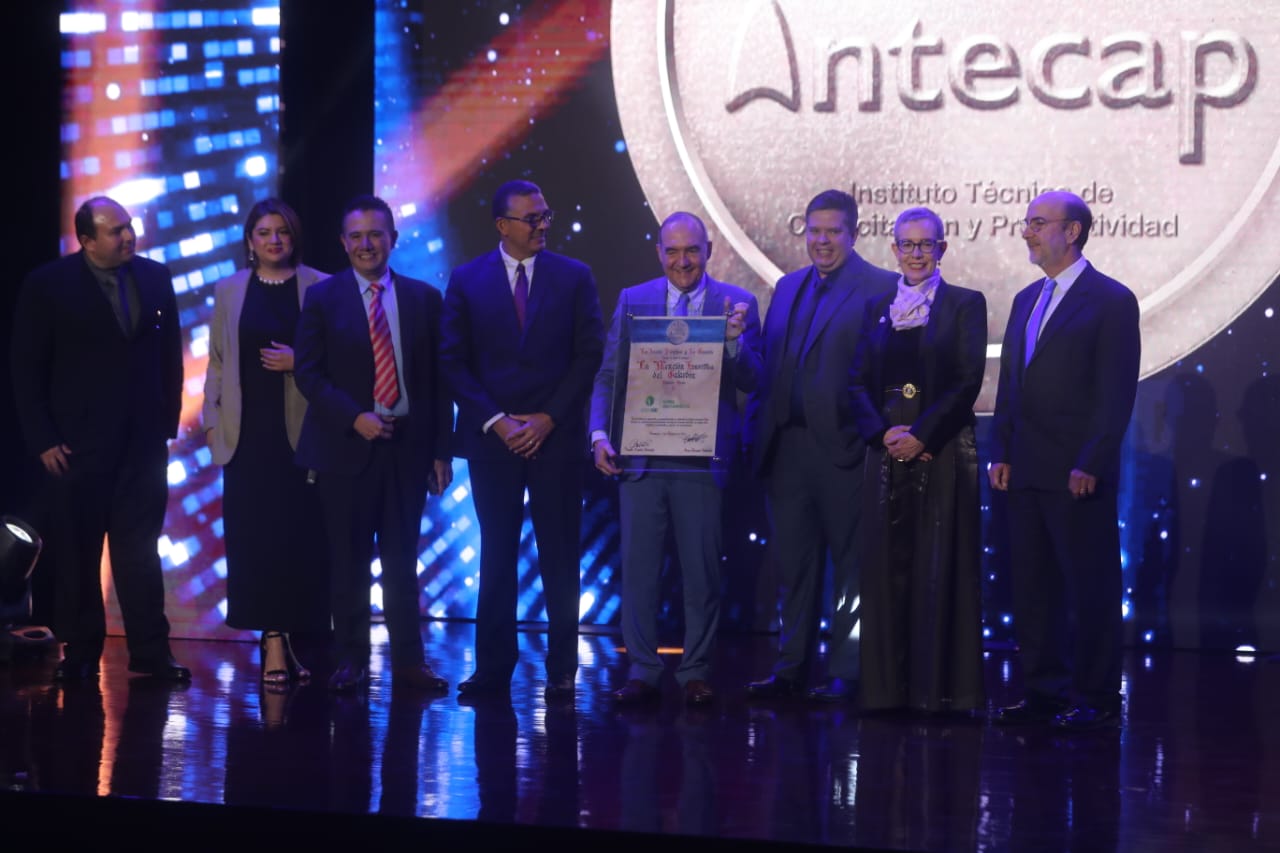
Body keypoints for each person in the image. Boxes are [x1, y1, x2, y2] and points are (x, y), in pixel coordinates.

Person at [10, 196, 188, 681]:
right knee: (77, 551)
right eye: (116, 230)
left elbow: (170, 357)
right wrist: (43, 438)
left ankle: (151, 653)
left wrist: (166, 424)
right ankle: (82, 651)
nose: (128, 236)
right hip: (75, 446)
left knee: (140, 551)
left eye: (129, 226)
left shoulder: (155, 277)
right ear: (87, 240)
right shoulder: (48, 284)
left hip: (142, 445)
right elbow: (26, 367)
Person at [589, 212, 762, 706]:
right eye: (672, 251)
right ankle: (643, 670)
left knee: (702, 574)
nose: (682, 261)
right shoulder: (633, 300)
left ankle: (695, 672)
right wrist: (599, 434)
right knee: (639, 571)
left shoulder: (738, 302)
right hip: (640, 459)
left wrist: (733, 342)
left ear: (709, 251)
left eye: (692, 251)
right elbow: (609, 375)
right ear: (659, 252)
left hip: (701, 460)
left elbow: (755, 379)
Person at [442, 179, 604, 700]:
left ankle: (562, 669)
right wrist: (498, 421)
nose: (542, 226)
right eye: (531, 218)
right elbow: (453, 361)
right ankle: (493, 669)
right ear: (501, 225)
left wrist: (547, 419)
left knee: (560, 554)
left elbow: (589, 354)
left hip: (555, 439)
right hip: (493, 442)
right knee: (496, 554)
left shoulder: (574, 276)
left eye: (545, 215)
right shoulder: (466, 280)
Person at [989, 190, 1140, 731]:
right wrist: (1002, 449)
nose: (1026, 232)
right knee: (1033, 588)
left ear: (1072, 231)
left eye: (1038, 222)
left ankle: (1097, 697)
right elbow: (1011, 383)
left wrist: (1091, 462)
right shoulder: (1026, 298)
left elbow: (1115, 393)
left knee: (1090, 586)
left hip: (1077, 472)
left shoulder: (1111, 300)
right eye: (1026, 222)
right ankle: (1043, 692)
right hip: (1025, 467)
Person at [292, 195, 454, 693]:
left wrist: (442, 450)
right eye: (357, 236)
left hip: (408, 449)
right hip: (345, 448)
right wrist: (354, 417)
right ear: (344, 243)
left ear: (393, 239)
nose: (367, 244)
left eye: (376, 234)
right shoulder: (322, 298)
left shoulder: (425, 299)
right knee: (349, 561)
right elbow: (308, 373)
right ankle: (351, 660)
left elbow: (439, 381)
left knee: (403, 561)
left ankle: (409, 662)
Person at [746, 189, 897, 702]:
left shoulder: (882, 287)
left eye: (833, 231)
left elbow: (886, 375)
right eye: (815, 231)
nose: (822, 240)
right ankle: (791, 669)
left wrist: (870, 436)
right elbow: (767, 368)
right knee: (794, 567)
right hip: (786, 449)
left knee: (853, 569)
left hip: (846, 451)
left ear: (854, 234)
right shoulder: (788, 286)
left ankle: (847, 674)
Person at [849, 206, 987, 714]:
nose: (915, 253)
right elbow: (855, 381)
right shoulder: (875, 307)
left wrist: (922, 434)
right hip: (886, 451)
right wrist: (883, 433)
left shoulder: (965, 304)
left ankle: (937, 693)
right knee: (887, 570)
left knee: (937, 567)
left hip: (942, 450)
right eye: (906, 244)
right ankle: (887, 692)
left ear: (941, 248)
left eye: (925, 244)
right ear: (894, 249)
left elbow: (967, 381)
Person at [203, 198, 329, 684]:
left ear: (294, 236)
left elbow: (340, 357)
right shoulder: (230, 289)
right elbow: (217, 361)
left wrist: (299, 362)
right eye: (264, 232)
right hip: (247, 435)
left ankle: (291, 638)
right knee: (254, 539)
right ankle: (272, 639)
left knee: (297, 538)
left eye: (283, 231)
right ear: (250, 241)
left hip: (303, 433)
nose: (274, 240)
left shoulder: (320, 286)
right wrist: (211, 423)